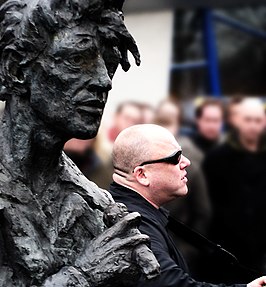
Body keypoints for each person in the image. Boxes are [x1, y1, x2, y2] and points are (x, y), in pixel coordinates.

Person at [0, 0, 159, 286]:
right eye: (77, 60)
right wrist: (85, 275)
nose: (103, 81)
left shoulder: (94, 201)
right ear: (16, 70)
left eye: (108, 64)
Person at [110, 124, 266, 287]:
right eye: (175, 158)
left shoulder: (134, 210)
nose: (186, 162)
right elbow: (170, 285)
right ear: (142, 175)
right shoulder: (132, 222)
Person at [203, 98, 266, 283]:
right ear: (236, 120)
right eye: (248, 120)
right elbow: (209, 206)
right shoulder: (217, 158)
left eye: (257, 120)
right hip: (227, 251)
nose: (253, 126)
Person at [154, 99, 211, 276]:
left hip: (177, 250)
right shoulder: (142, 156)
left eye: (168, 122)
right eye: (162, 122)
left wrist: (187, 250)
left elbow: (202, 212)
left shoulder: (191, 159)